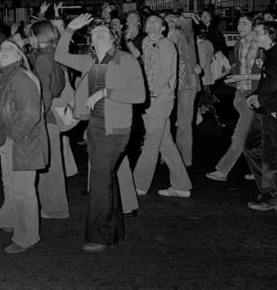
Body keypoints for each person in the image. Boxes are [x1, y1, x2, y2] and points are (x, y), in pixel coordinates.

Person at [55, 14, 145, 252]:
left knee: (99, 180)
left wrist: (106, 92)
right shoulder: (89, 60)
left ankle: (100, 236)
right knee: (106, 178)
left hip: (115, 129)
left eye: (104, 30)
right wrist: (69, 30)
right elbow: (60, 56)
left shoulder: (125, 59)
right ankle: (114, 231)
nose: (100, 32)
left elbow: (139, 95)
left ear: (113, 36)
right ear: (91, 40)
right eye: (95, 32)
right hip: (94, 126)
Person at [0, 40, 47, 254]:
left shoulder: (20, 77)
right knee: (10, 184)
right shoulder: (3, 76)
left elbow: (30, 114)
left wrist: (13, 134)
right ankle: (9, 219)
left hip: (22, 142)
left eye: (10, 48)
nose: (4, 51)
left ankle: (27, 237)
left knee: (23, 191)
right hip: (9, 139)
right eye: (1, 49)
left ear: (20, 55)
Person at [132, 16, 192, 198]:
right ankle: (181, 186)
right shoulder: (145, 42)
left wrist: (154, 94)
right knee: (165, 144)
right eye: (148, 22)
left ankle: (137, 185)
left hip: (159, 99)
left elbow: (166, 71)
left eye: (156, 22)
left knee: (151, 142)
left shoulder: (166, 44)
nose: (151, 24)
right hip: (150, 98)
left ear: (163, 28)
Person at [206, 15, 261, 182]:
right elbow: (237, 65)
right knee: (256, 137)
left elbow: (264, 76)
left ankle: (222, 170)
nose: (240, 26)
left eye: (245, 23)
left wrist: (241, 78)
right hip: (241, 94)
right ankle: (260, 169)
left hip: (253, 97)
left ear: (254, 26)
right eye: (239, 23)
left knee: (239, 136)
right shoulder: (239, 44)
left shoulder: (261, 46)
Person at [28, 19, 69, 219]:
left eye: (32, 35)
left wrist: (38, 117)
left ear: (38, 36)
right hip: (55, 113)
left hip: (48, 116)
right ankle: (54, 206)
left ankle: (54, 209)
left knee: (49, 166)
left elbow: (45, 92)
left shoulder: (42, 58)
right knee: (53, 163)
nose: (30, 39)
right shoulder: (55, 53)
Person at [245, 21, 277, 210]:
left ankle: (270, 197)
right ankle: (269, 190)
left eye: (258, 33)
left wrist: (261, 100)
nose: (255, 37)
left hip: (271, 109)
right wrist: (254, 97)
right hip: (264, 108)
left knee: (270, 156)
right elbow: (267, 83)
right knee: (252, 147)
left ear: (270, 35)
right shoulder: (269, 55)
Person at [165, 13, 201, 167]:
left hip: (186, 83)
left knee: (184, 123)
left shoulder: (183, 35)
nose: (171, 22)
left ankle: (184, 160)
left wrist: (183, 18)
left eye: (173, 20)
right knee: (164, 122)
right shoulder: (160, 39)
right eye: (167, 21)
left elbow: (187, 25)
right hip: (168, 85)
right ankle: (168, 154)